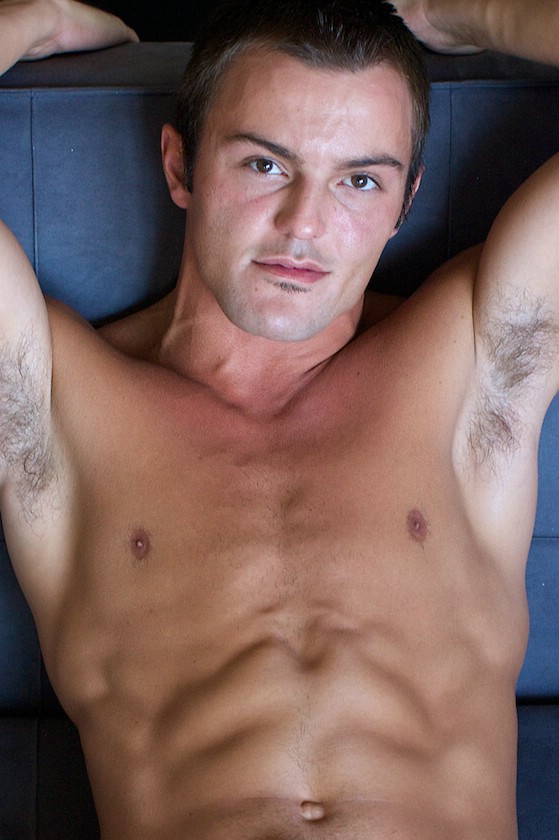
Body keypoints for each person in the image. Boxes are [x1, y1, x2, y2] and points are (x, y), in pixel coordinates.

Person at [1, 0, 559, 837]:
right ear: (181, 167)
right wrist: (35, 18)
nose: (305, 226)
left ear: (404, 201)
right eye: (264, 165)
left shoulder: (474, 356)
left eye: (359, 180)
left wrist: (477, 14)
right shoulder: (56, 392)